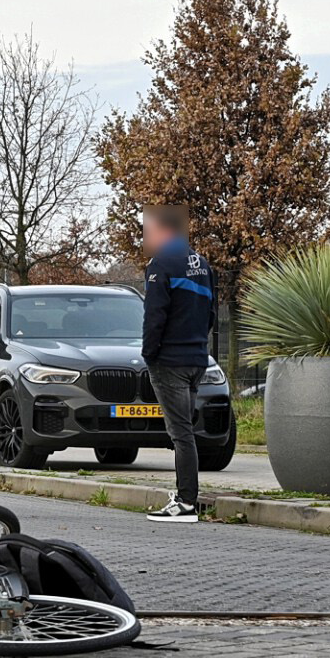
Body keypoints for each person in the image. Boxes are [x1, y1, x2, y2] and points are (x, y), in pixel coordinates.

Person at [140, 205, 214, 524]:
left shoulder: (161, 264)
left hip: (169, 360)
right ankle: (187, 496)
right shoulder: (203, 264)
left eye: (149, 230)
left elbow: (155, 315)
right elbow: (211, 314)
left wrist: (149, 353)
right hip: (197, 357)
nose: (147, 237)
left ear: (163, 231)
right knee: (185, 429)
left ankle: (185, 501)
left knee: (180, 431)